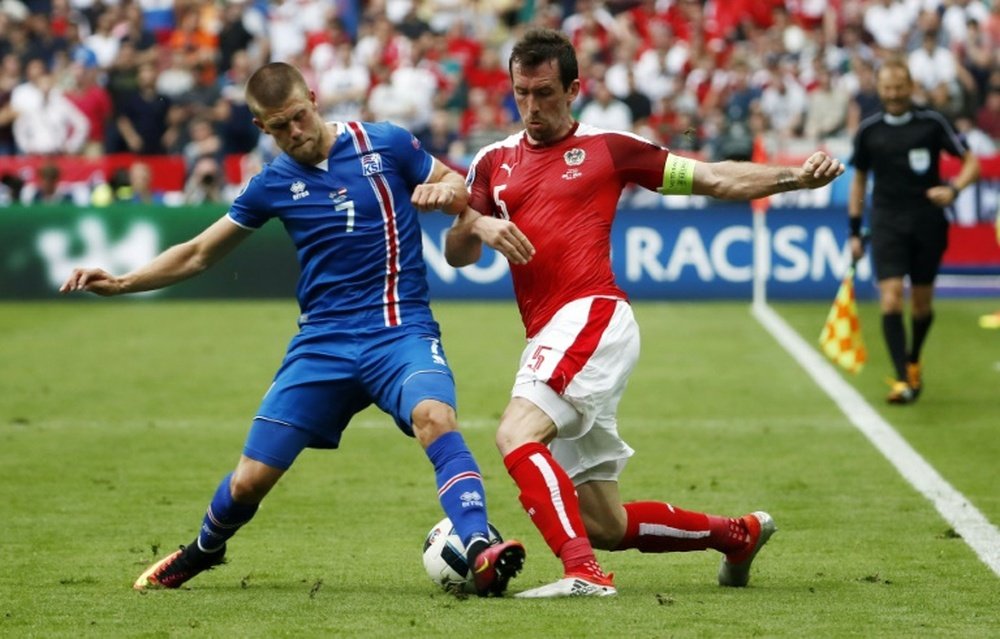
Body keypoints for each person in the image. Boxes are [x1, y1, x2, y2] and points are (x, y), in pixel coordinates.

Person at [60, 62, 525, 596]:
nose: (294, 133)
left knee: (434, 417)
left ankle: (478, 548)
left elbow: (452, 182)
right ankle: (203, 551)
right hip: (322, 344)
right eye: (279, 127)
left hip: (400, 330)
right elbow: (196, 254)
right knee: (249, 481)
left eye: (299, 117)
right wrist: (120, 283)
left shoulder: (386, 144)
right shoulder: (272, 184)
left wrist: (447, 194)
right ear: (261, 128)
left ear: (314, 98)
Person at [444, 28, 844, 598]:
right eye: (522, 93)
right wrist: (476, 223)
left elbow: (713, 177)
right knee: (606, 523)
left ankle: (582, 574)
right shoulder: (492, 162)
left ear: (574, 89)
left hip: (592, 314)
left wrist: (794, 177)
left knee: (514, 433)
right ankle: (738, 535)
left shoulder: (610, 149)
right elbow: (458, 256)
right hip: (552, 331)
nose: (532, 107)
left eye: (546, 93)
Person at [848, 59, 980, 404]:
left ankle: (913, 358)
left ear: (910, 87)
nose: (892, 94)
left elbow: (973, 164)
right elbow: (858, 180)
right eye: (887, 88)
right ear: (878, 88)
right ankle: (903, 378)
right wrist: (854, 230)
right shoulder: (868, 131)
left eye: (898, 87)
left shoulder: (932, 123)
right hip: (887, 221)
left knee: (921, 305)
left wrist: (952, 191)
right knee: (890, 296)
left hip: (927, 221)